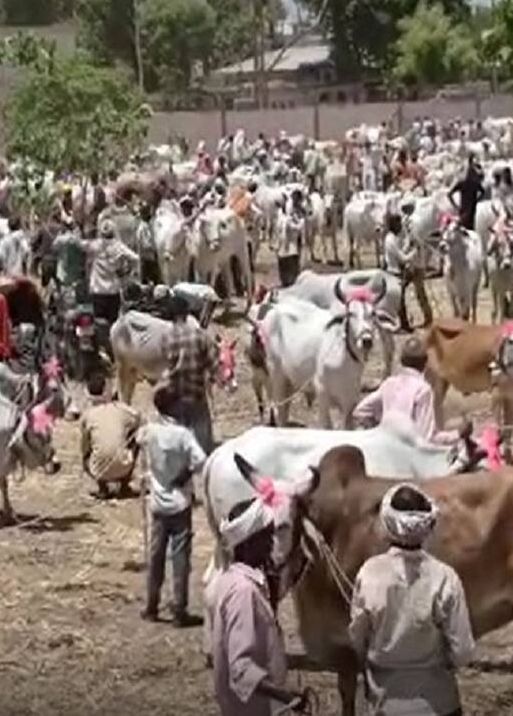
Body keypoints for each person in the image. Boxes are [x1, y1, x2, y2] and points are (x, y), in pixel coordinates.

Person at [348, 484, 475, 716]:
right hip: (438, 705)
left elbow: (358, 638)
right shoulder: (445, 577)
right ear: (428, 525)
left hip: (384, 705)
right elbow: (463, 651)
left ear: (388, 522)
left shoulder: (369, 573)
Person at [209, 498, 310, 716]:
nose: (271, 543)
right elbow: (241, 670)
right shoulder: (243, 592)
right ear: (248, 542)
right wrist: (285, 695)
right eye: (266, 537)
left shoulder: (230, 579)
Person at [136, 385, 208, 627]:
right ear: (175, 407)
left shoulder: (150, 431)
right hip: (180, 503)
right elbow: (201, 460)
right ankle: (179, 609)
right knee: (180, 558)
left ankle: (152, 605)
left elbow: (137, 439)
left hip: (157, 503)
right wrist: (185, 474)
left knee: (155, 556)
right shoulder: (183, 435)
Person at [353, 339, 469, 445]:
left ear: (401, 360)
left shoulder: (389, 383)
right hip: (409, 454)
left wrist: (379, 428)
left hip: (386, 447)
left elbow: (360, 411)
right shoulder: (422, 390)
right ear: (425, 362)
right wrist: (458, 434)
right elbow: (427, 437)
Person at [162, 293, 218, 453]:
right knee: (203, 445)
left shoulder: (165, 338)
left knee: (180, 443)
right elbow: (213, 363)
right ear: (187, 313)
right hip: (196, 394)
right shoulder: (199, 335)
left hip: (175, 396)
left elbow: (165, 366)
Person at [79, 374, 143, 499]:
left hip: (98, 470)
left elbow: (85, 447)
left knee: (89, 443)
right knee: (135, 436)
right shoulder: (120, 409)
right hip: (124, 466)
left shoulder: (87, 415)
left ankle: (103, 488)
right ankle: (124, 486)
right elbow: (139, 418)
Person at [86, 219, 140, 323]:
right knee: (113, 321)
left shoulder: (95, 245)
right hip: (113, 290)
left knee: (99, 322)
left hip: (97, 290)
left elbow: (81, 245)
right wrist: (128, 271)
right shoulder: (118, 246)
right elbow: (136, 258)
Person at [382, 214, 428, 331]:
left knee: (401, 300)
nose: (401, 227)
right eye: (399, 224)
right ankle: (404, 325)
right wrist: (414, 252)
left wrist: (408, 244)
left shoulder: (393, 238)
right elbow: (402, 258)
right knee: (400, 301)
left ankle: (405, 324)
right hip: (394, 273)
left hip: (398, 271)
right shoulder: (390, 240)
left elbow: (401, 251)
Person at [274, 193, 305, 288]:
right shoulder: (287, 219)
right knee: (291, 276)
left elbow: (278, 233)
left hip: (282, 251)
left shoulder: (280, 219)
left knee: (285, 274)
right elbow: (297, 228)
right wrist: (302, 222)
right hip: (290, 251)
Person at [448, 157, 486, 230]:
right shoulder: (474, 182)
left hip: (464, 210)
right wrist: (477, 200)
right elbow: (483, 192)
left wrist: (456, 206)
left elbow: (449, 194)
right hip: (471, 211)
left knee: (463, 230)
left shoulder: (463, 182)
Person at [137, 204, 161, 285]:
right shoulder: (142, 228)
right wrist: (157, 248)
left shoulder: (148, 225)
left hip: (151, 258)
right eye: (147, 212)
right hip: (147, 259)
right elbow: (146, 244)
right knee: (148, 282)